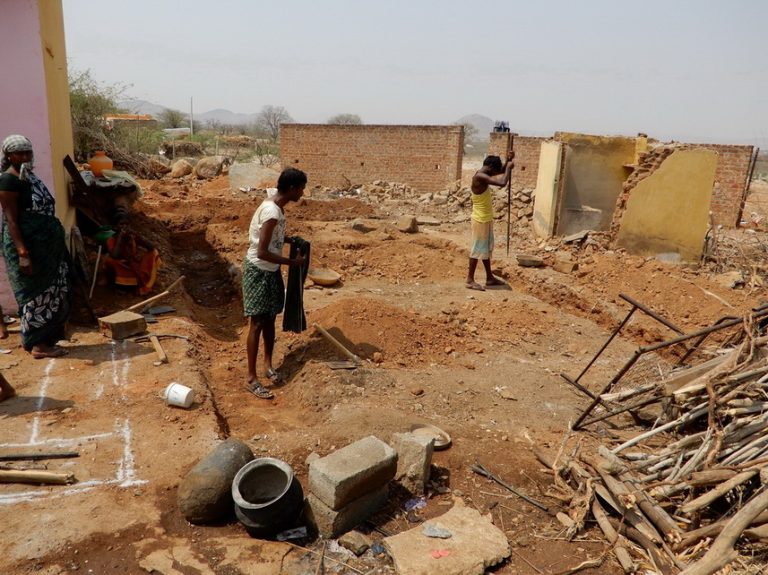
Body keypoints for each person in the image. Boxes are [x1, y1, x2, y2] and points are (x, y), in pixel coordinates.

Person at [0, 135, 71, 358]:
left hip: (46, 248)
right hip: (28, 247)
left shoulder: (27, 176)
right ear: (8, 155)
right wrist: (23, 253)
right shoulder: (8, 181)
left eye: (27, 152)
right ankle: (39, 345)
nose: (24, 157)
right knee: (36, 295)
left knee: (52, 292)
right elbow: (11, 220)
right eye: (19, 153)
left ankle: (42, 340)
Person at [242, 168, 307, 399]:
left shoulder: (276, 207)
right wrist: (292, 262)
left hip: (270, 272)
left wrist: (288, 240)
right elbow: (261, 251)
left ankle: (268, 365)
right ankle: (251, 378)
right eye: (301, 188)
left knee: (270, 318)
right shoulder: (271, 211)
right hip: (259, 272)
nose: (302, 193)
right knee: (257, 322)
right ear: (291, 189)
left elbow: (269, 239)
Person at [466, 151, 514, 291]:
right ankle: (469, 280)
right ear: (490, 167)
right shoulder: (480, 176)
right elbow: (502, 182)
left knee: (485, 249)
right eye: (494, 170)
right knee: (476, 250)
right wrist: (509, 168)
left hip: (485, 218)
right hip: (480, 220)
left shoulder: (485, 173)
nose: (495, 172)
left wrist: (509, 160)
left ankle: (489, 278)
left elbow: (502, 170)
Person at [102, 211, 161, 295]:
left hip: (132, 265)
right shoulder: (112, 239)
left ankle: (133, 284)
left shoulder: (132, 237)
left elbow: (151, 247)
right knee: (110, 261)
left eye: (127, 224)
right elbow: (115, 255)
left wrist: (138, 236)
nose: (124, 227)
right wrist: (120, 237)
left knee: (153, 252)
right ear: (116, 227)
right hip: (120, 265)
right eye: (121, 224)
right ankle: (120, 286)